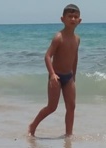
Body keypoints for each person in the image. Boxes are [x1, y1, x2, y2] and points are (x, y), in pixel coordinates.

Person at [28, 4, 82, 137]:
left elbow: (75, 57)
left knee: (71, 107)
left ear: (79, 21)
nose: (73, 19)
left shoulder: (77, 39)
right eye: (70, 16)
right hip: (56, 77)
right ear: (62, 19)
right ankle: (32, 126)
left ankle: (68, 134)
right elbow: (47, 56)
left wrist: (74, 75)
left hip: (69, 77)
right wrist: (52, 74)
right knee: (52, 107)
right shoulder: (58, 37)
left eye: (75, 17)